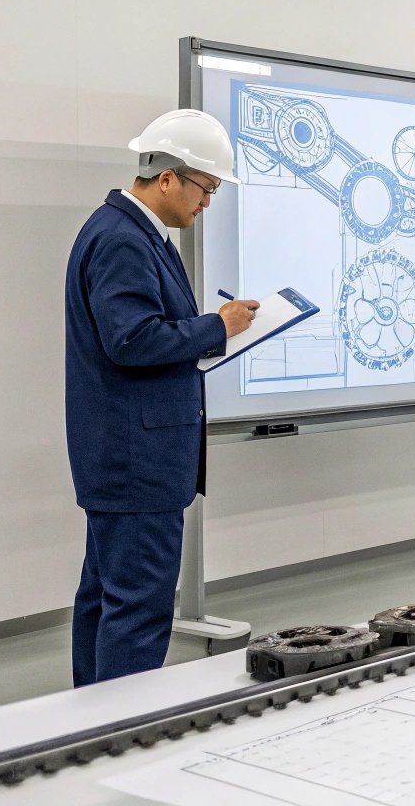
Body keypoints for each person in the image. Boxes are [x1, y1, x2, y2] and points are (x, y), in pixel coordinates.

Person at [65, 109, 259, 686]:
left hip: (125, 457)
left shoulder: (131, 231)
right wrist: (216, 327)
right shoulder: (123, 239)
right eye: (206, 188)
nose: (208, 203)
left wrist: (211, 328)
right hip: (136, 463)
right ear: (169, 177)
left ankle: (91, 719)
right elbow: (131, 339)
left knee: (106, 597)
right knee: (138, 609)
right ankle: (124, 726)